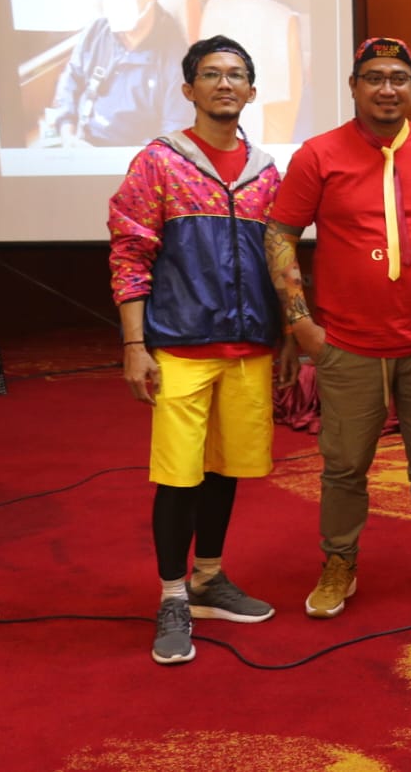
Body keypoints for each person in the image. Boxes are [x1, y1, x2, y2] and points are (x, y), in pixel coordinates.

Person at [264, 37, 411, 619]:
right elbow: (280, 234)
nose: (387, 89)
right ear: (354, 87)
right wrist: (301, 323)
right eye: (374, 78)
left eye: (398, 78)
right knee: (344, 464)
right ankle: (339, 560)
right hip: (347, 341)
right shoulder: (318, 154)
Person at [108, 35, 281, 664]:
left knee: (226, 468)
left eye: (236, 74)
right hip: (180, 345)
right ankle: (173, 595)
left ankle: (209, 578)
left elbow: (279, 261)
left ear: (251, 91)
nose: (224, 83)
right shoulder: (159, 163)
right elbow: (130, 253)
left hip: (250, 348)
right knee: (178, 476)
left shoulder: (267, 172)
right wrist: (135, 343)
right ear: (189, 89)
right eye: (211, 74)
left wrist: (285, 333)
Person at [46, 0, 189, 148]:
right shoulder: (96, 32)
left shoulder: (177, 60)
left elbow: (174, 137)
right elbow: (70, 82)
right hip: (77, 143)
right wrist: (68, 133)